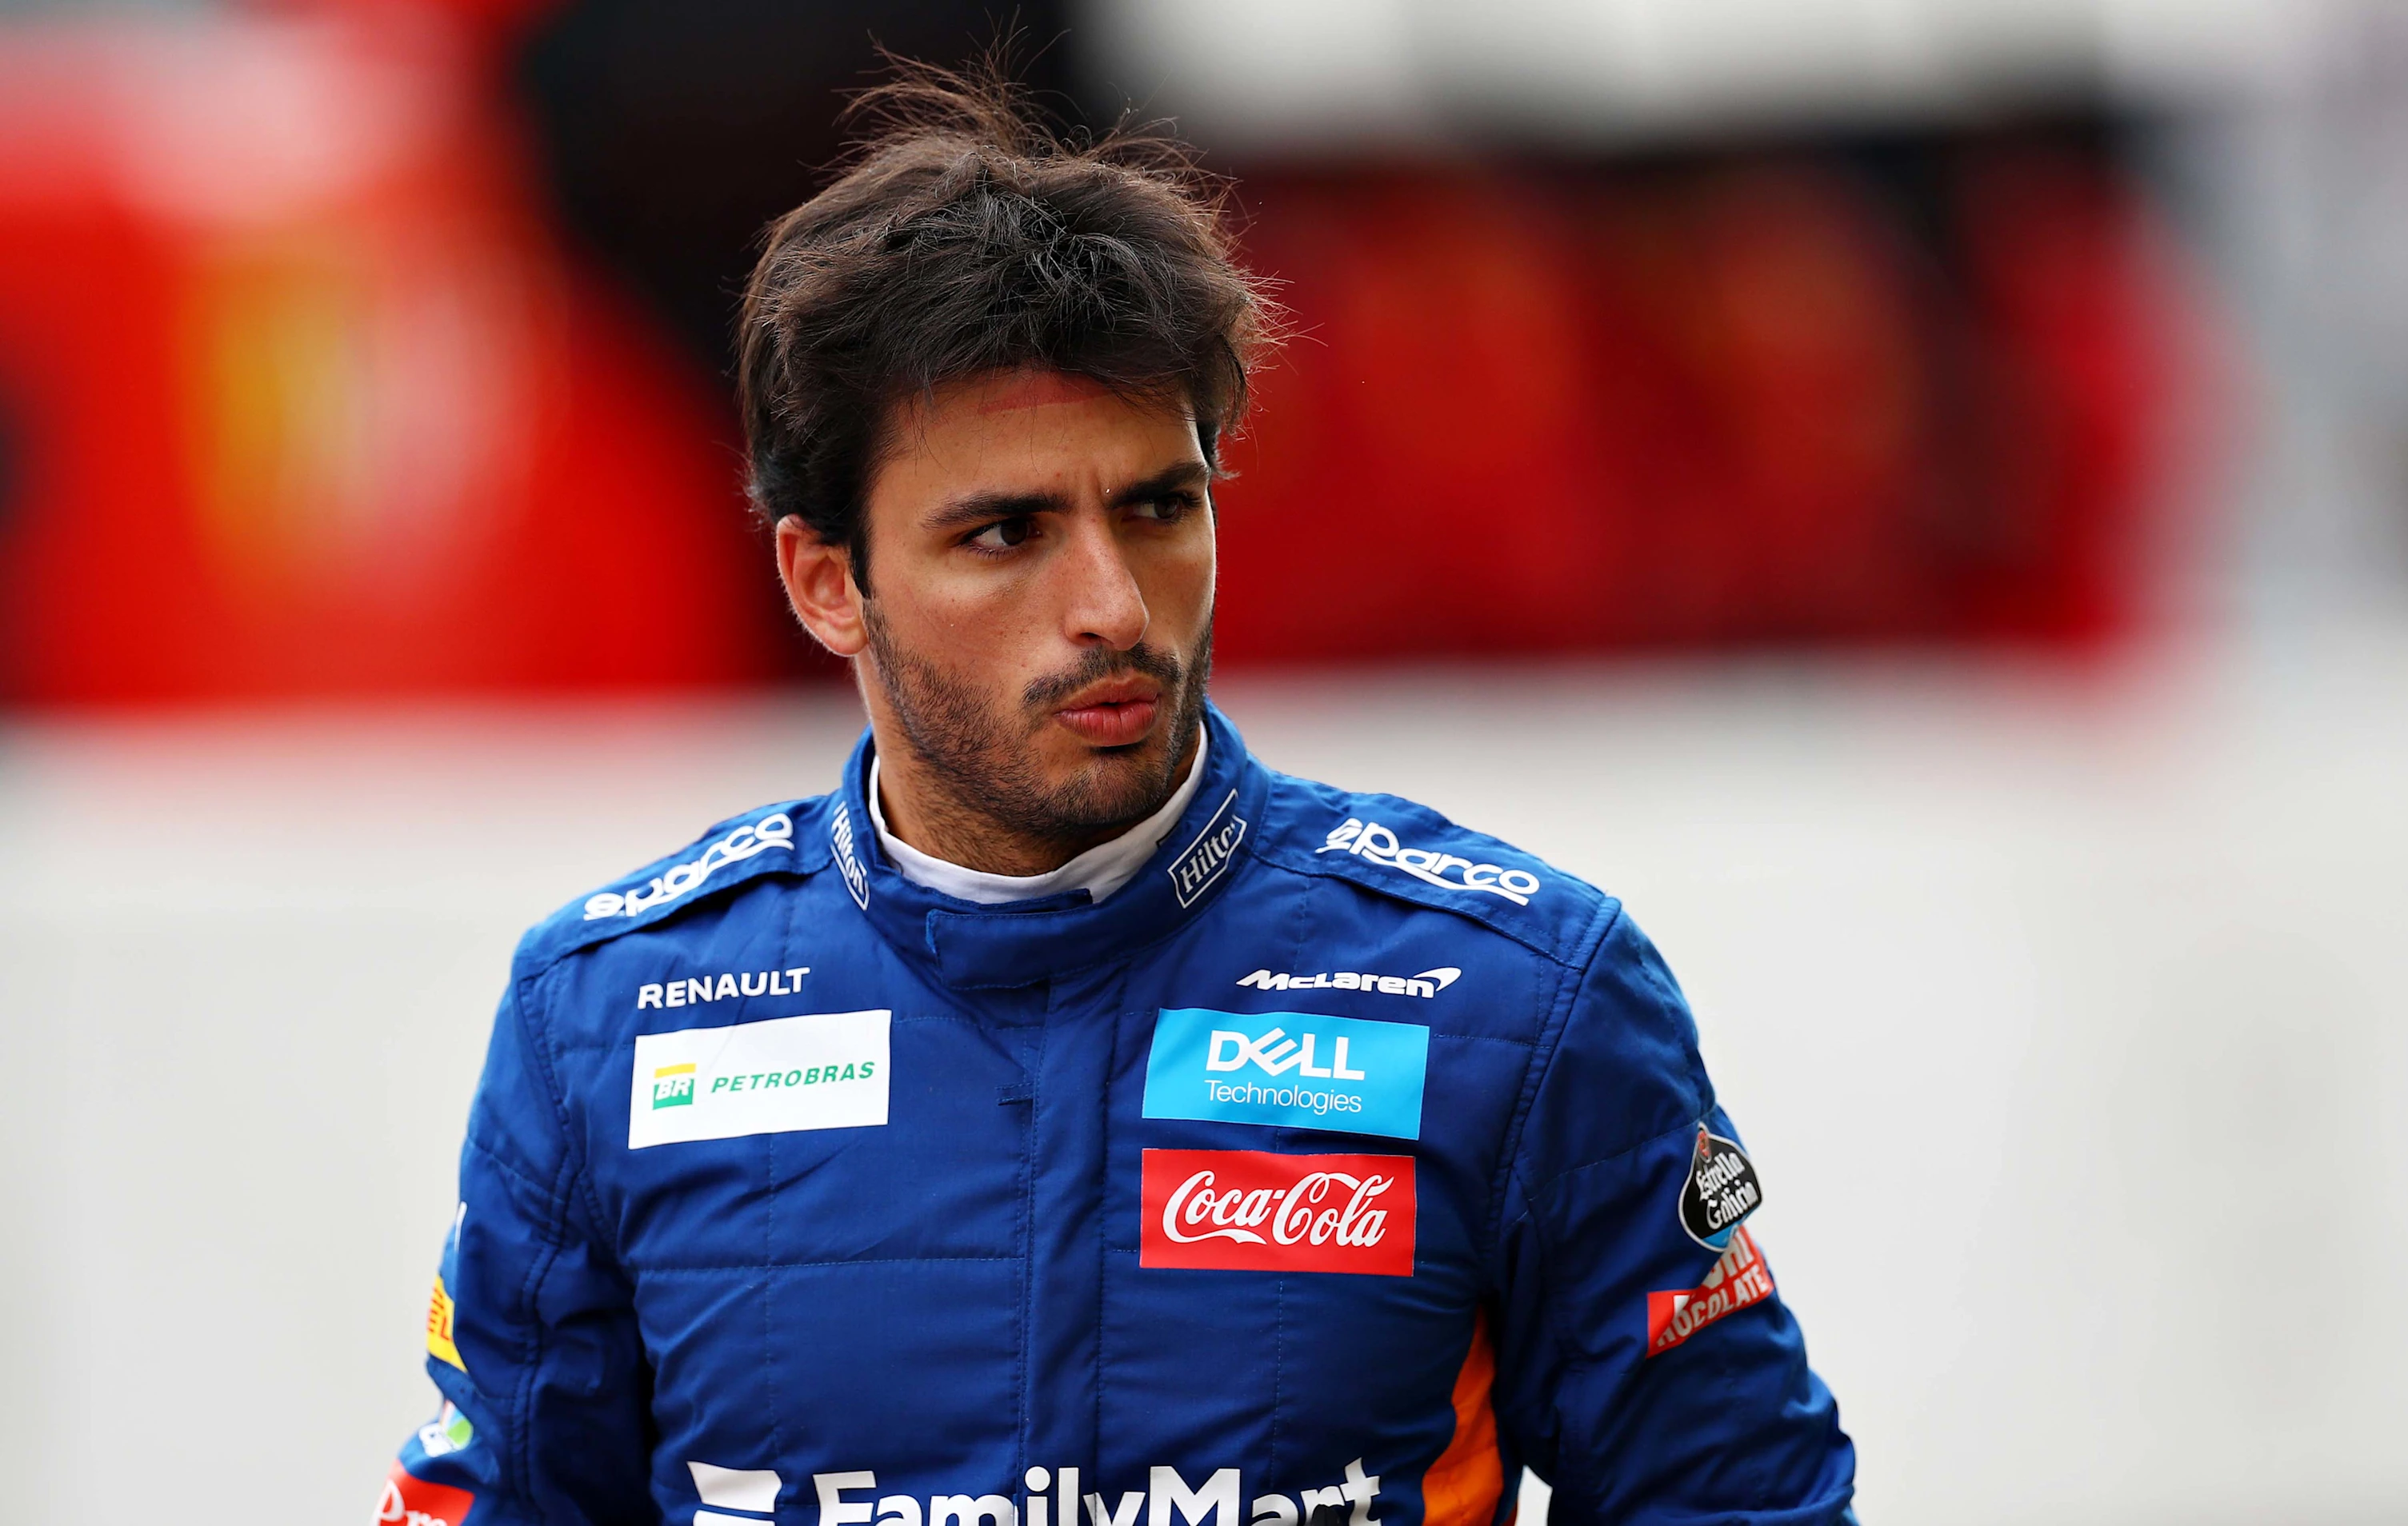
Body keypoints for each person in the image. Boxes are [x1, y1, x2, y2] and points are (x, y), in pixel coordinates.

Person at [375, 66, 1858, 1526]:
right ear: (829, 583)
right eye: (1005, 532)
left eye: (1159, 507)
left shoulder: (1514, 999)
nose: (1109, 606)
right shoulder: (615, 1024)